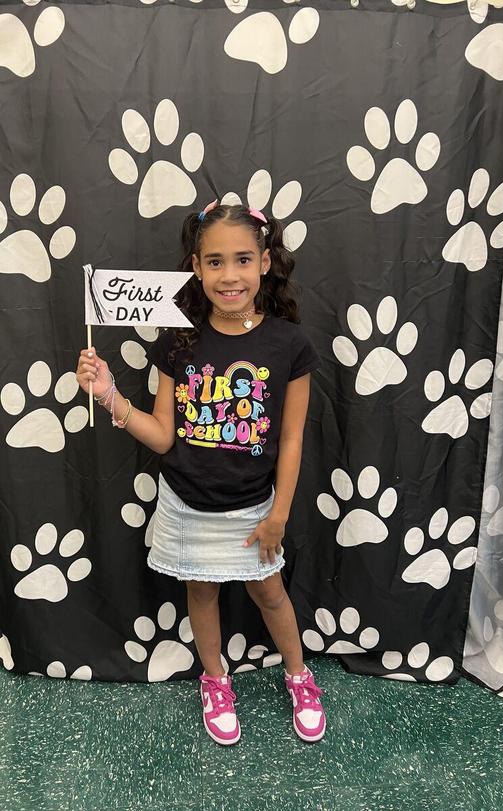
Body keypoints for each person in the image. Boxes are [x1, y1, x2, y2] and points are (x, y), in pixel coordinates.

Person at [76, 198, 326, 746]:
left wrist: (278, 515)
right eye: (214, 262)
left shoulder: (290, 344)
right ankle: (215, 680)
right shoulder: (178, 340)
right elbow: (164, 435)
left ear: (265, 262)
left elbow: (290, 438)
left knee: (272, 595)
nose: (229, 274)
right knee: (203, 593)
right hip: (187, 503)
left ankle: (299, 675)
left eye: (242, 259)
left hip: (256, 506)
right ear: (196, 266)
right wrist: (109, 394)